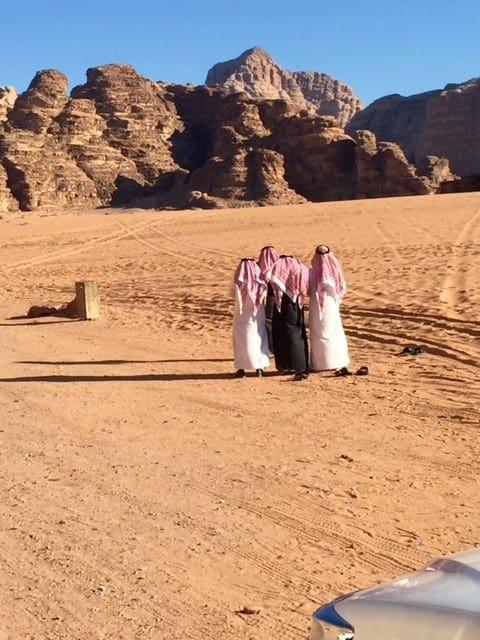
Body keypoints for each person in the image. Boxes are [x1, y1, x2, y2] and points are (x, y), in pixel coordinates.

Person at [309, 244, 350, 372]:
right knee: (333, 331)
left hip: (318, 305)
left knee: (319, 331)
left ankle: (321, 364)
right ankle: (337, 361)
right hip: (331, 304)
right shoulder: (334, 271)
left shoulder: (312, 273)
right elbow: (342, 287)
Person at [268, 254, 310, 381]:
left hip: (282, 305)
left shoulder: (277, 271)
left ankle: (287, 365)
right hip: (297, 304)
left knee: (286, 334)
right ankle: (300, 365)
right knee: (298, 332)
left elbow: (272, 287)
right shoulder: (301, 268)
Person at [231, 257, 270, 378]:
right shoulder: (261, 280)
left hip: (241, 315)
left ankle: (241, 368)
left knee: (241, 340)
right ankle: (259, 367)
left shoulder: (237, 280)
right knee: (258, 338)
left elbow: (231, 294)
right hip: (257, 315)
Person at [257, 245, 279, 354]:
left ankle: (272, 347)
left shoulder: (258, 267)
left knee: (268, 320)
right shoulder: (281, 266)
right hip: (279, 297)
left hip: (269, 297)